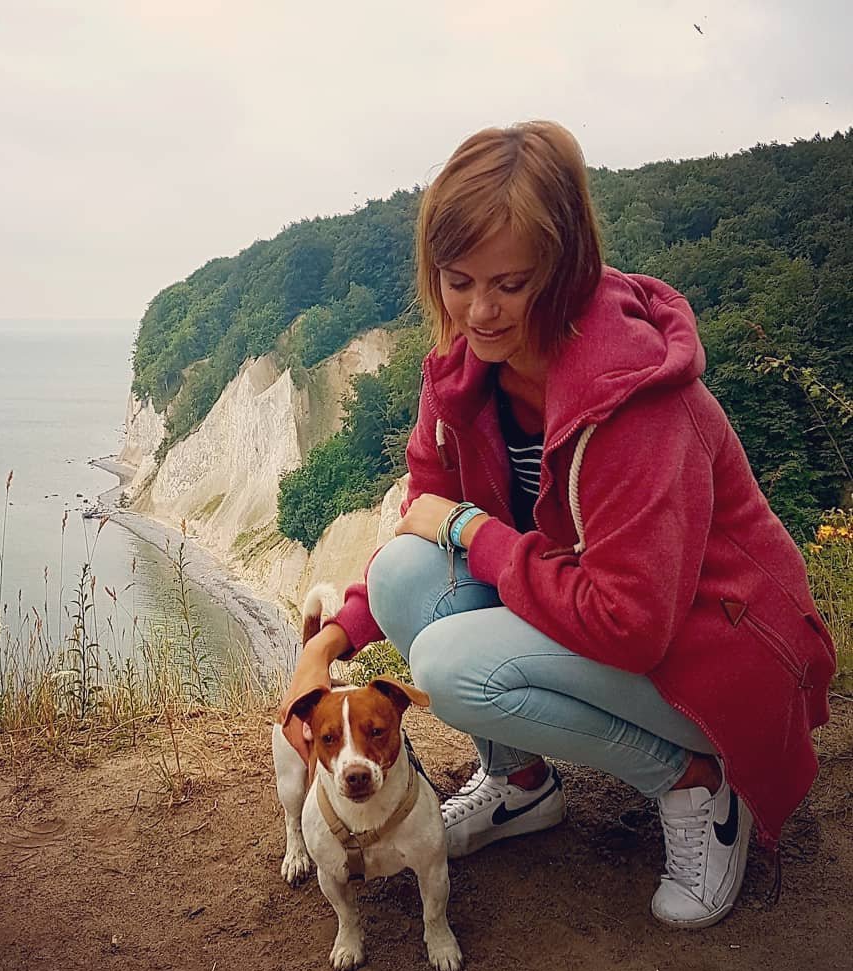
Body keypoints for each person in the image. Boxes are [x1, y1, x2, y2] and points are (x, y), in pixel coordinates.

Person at [281, 120, 837, 929]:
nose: (477, 310)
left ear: (566, 268)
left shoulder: (639, 401)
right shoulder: (464, 376)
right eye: (457, 279)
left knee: (451, 663)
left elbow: (632, 624)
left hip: (719, 650)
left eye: (509, 283)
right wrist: (327, 647)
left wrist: (472, 529)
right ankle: (521, 785)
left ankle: (698, 784)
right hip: (599, 618)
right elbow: (423, 523)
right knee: (405, 574)